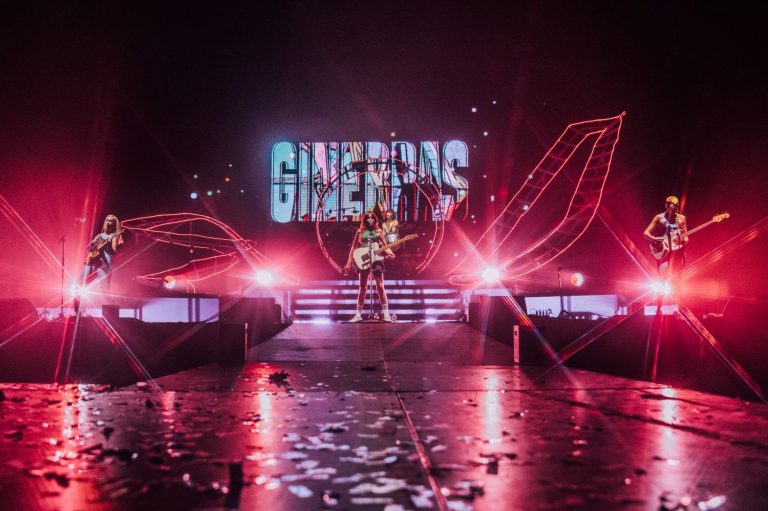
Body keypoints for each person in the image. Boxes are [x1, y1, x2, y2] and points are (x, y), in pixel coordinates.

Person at [344, 211, 395, 322]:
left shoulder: (378, 231)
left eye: (372, 218)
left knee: (380, 286)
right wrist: (349, 262)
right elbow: (353, 248)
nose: (370, 219)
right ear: (365, 220)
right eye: (368, 218)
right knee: (362, 287)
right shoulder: (360, 231)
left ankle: (386, 314)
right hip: (364, 259)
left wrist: (390, 252)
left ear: (375, 220)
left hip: (377, 259)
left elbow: (385, 246)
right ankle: (358, 315)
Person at [644, 196, 687, 311]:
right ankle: (659, 306)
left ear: (677, 207)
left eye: (674, 206)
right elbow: (646, 233)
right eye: (669, 205)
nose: (671, 208)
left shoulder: (681, 218)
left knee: (678, 278)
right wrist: (656, 239)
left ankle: (678, 307)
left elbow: (686, 236)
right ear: (666, 206)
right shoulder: (659, 217)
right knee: (662, 278)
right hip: (664, 251)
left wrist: (684, 239)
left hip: (678, 250)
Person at [75, 214, 124, 313]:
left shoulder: (114, 236)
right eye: (107, 220)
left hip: (103, 265)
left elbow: (113, 251)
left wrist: (107, 243)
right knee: (77, 285)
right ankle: (77, 311)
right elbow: (88, 247)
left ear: (114, 224)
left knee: (105, 291)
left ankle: (113, 314)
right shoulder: (99, 235)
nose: (108, 222)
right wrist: (90, 249)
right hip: (92, 263)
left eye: (111, 221)